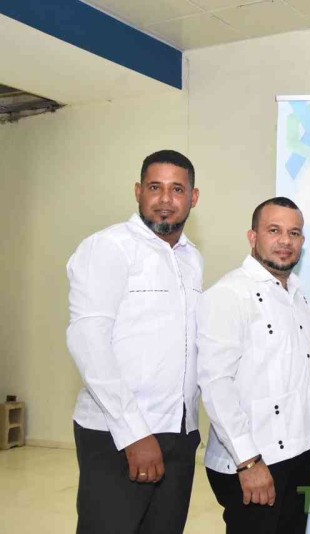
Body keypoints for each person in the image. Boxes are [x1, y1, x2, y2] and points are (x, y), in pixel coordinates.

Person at [66, 150, 202, 533]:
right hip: (118, 434)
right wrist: (134, 434)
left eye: (177, 189)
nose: (165, 199)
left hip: (179, 433)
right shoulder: (108, 247)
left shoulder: (193, 259)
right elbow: (88, 341)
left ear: (193, 197)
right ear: (139, 191)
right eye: (155, 187)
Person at [197, 197, 310, 534]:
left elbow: (308, 370)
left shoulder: (297, 294)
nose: (285, 241)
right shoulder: (228, 294)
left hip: (299, 453)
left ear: (302, 241)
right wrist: (248, 462)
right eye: (274, 230)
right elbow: (216, 385)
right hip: (251, 460)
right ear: (253, 237)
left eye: (294, 233)